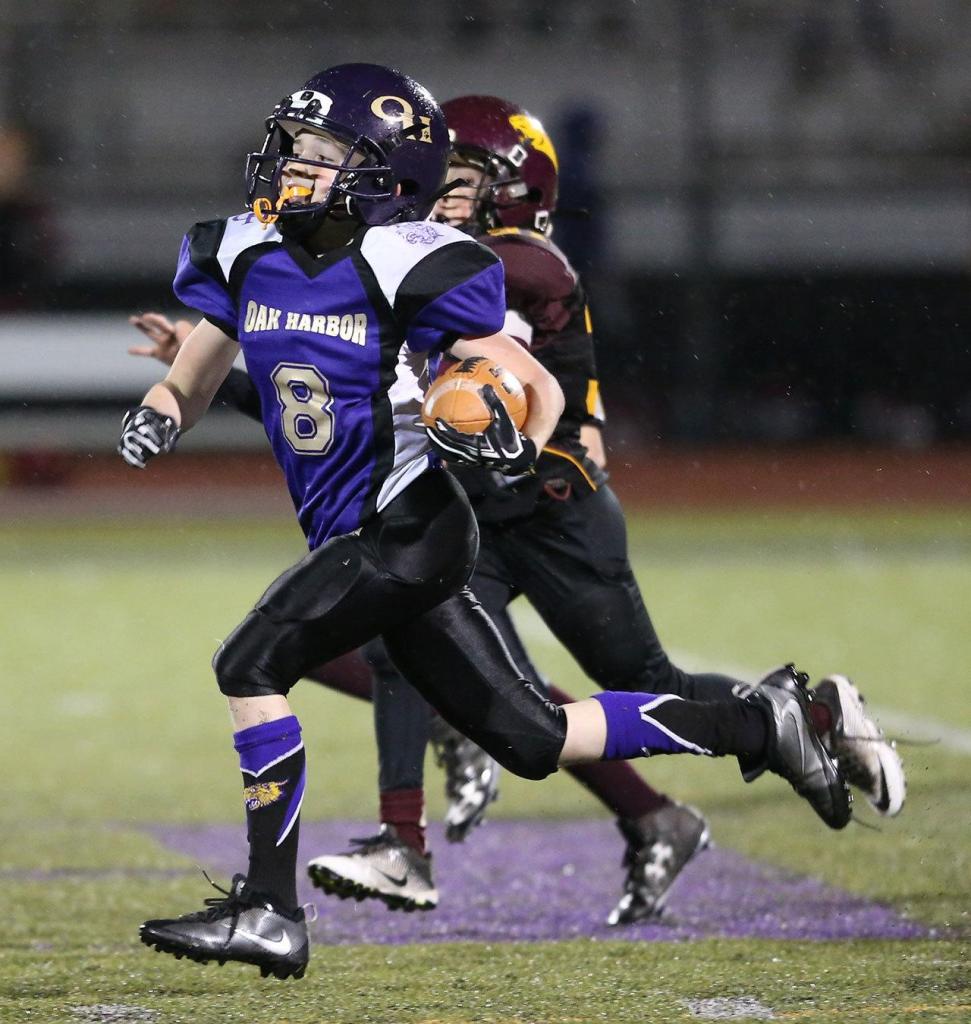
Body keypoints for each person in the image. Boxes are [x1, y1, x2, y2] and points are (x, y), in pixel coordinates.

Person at [120, 62, 852, 982]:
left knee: (249, 662)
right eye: (294, 146)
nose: (293, 165)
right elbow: (198, 371)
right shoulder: (238, 249)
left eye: (320, 152)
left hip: (406, 530)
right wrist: (161, 410)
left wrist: (514, 440)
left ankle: (271, 910)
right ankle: (761, 723)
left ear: (384, 171)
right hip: (360, 535)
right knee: (537, 738)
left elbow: (533, 381)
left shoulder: (411, 261)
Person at [300, 94, 907, 923]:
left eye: (459, 174)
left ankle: (804, 718)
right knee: (420, 653)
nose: (435, 189)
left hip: (555, 519)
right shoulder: (436, 259)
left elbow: (445, 316)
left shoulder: (515, 260)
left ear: (510, 189)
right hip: (469, 521)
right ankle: (408, 836)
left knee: (641, 683)